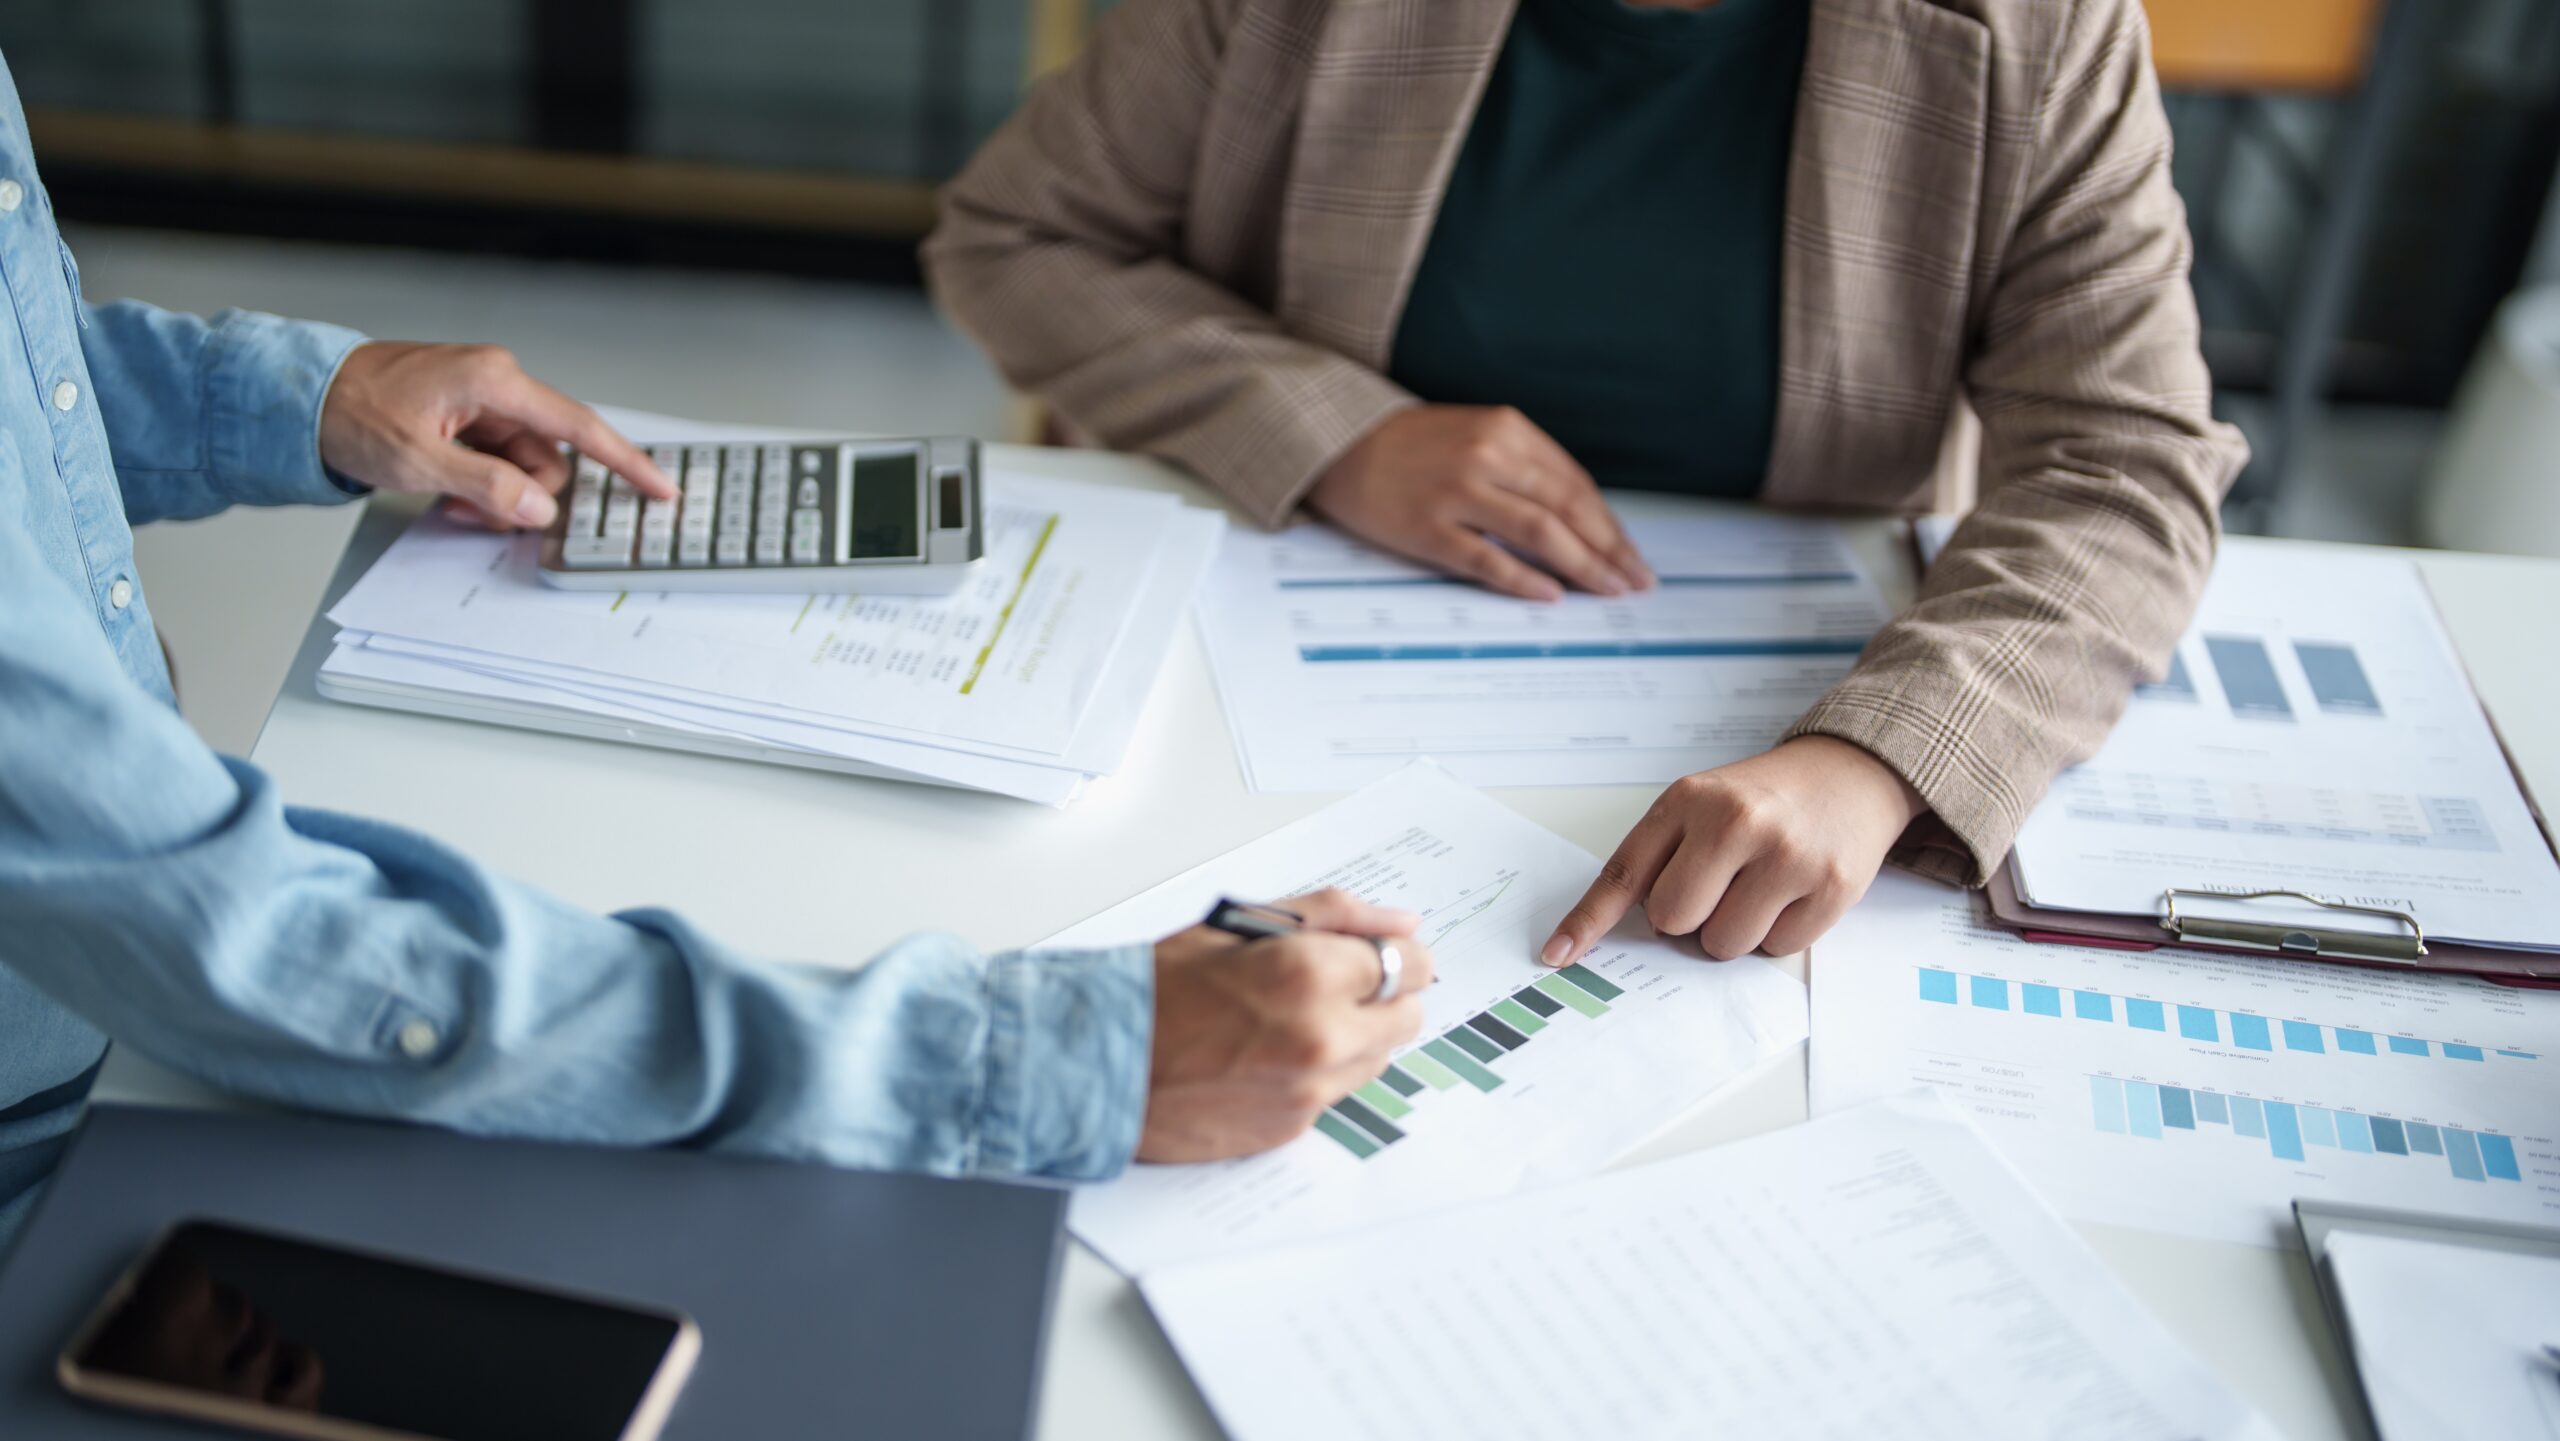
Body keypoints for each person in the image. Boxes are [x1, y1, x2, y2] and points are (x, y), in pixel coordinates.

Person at [0, 54, 1436, 1253]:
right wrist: (1040, 1061)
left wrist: (290, 398)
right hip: (74, 1111)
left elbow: (25, 387)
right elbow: (230, 932)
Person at [924, 0, 2251, 966]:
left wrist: (1879, 760)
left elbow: (2122, 461)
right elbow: (1018, 236)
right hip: (1272, 711)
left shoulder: (2041, 29)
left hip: (1772, 716)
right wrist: (1334, 436)